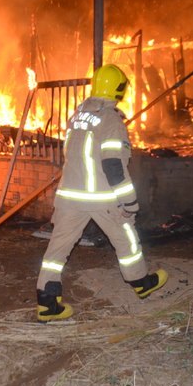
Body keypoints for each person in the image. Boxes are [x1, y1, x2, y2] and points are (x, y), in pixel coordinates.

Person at [36, 63, 168, 322]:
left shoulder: (78, 115)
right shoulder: (110, 119)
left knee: (58, 248)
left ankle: (47, 304)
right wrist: (129, 200)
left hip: (69, 197)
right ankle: (141, 282)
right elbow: (113, 165)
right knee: (126, 238)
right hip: (101, 198)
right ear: (118, 90)